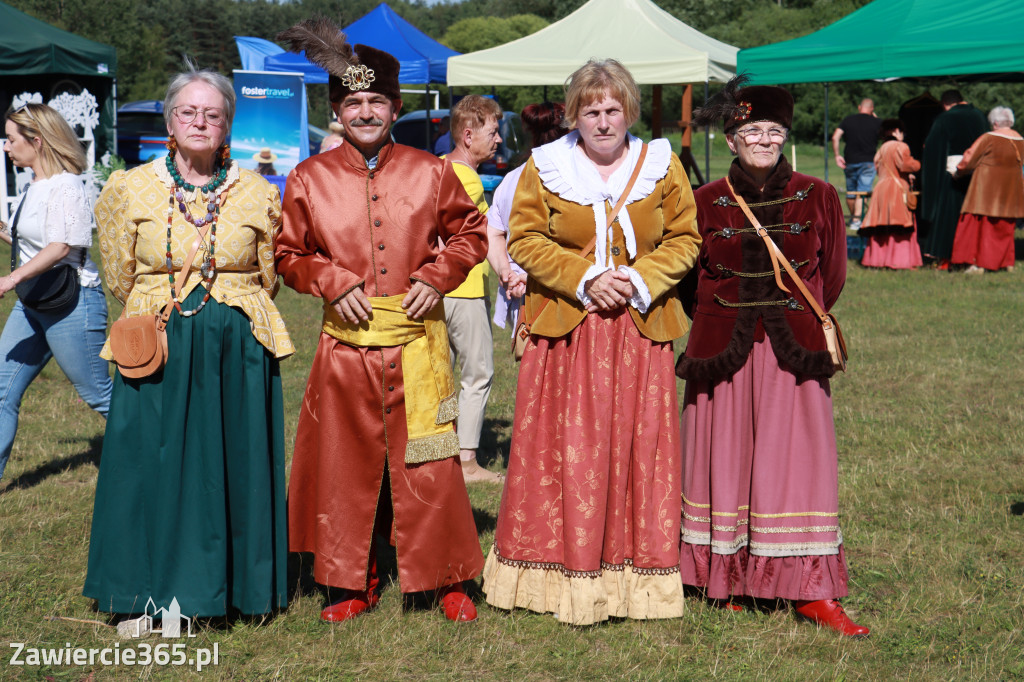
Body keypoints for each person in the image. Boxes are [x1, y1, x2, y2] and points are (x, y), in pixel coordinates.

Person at [275, 19, 488, 624]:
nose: (365, 112)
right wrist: (330, 280)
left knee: (430, 462)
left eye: (376, 101)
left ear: (395, 106)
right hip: (346, 352)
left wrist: (434, 276)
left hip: (419, 344)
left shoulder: (431, 171)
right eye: (352, 103)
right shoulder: (307, 180)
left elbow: (471, 233)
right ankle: (350, 579)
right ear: (337, 111)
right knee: (345, 467)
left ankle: (444, 576)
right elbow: (287, 253)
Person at [483, 58, 701, 626]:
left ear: (627, 110)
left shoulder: (661, 164)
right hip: (567, 329)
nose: (603, 121)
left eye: (612, 109)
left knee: (639, 447)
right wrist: (586, 278)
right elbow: (525, 239)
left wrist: (637, 279)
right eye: (591, 110)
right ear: (573, 114)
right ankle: (553, 574)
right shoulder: (545, 166)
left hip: (639, 326)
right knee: (563, 449)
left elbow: (685, 236)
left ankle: (635, 579)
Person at [84, 63, 294, 619]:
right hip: (157, 339)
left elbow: (268, 273)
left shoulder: (256, 191)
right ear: (169, 121)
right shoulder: (129, 188)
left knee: (231, 461)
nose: (200, 122)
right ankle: (139, 590)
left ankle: (230, 590)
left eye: (213, 114)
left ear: (228, 125)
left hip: (238, 345)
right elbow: (118, 275)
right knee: (145, 460)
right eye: (188, 112)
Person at [677, 76, 869, 637]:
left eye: (773, 130)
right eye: (750, 130)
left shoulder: (819, 193)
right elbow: (691, 282)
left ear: (785, 135)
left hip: (794, 348)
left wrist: (790, 314)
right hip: (723, 348)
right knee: (725, 458)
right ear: (732, 138)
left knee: (799, 466)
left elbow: (830, 276)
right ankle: (724, 577)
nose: (762, 139)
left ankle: (810, 590)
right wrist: (723, 315)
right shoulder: (704, 200)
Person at [0, 103, 111, 481]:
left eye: (11, 139)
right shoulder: (35, 185)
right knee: (1, 391)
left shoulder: (67, 186)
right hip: (35, 301)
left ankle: (166, 452)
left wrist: (9, 280)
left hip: (72, 304)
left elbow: (62, 247)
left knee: (99, 395)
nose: (6, 146)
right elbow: (35, 245)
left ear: (37, 140)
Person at [442, 95, 503, 484]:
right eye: (492, 132)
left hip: (436, 288)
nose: (498, 140)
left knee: (441, 373)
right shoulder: (465, 178)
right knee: (477, 373)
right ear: (468, 135)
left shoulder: (438, 169)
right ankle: (466, 463)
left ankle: (438, 451)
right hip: (462, 288)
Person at [486, 101, 568, 331]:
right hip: (559, 293)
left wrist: (507, 273)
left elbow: (493, 232)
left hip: (518, 294)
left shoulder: (512, 178)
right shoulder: (572, 180)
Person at [919, 89, 988, 267]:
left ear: (945, 104)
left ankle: (948, 256)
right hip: (977, 176)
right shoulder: (980, 116)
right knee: (973, 218)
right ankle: (974, 255)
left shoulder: (945, 118)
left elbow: (933, 151)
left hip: (952, 177)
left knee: (950, 218)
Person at [951, 106, 1024, 273]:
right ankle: (1005, 262)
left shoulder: (989, 138)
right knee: (1004, 228)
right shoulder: (1020, 140)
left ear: (995, 123)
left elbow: (969, 158)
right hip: (1010, 192)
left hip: (985, 191)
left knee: (978, 227)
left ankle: (976, 263)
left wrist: (958, 171)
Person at [860, 118, 923, 269]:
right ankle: (898, 261)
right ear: (896, 131)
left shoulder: (881, 149)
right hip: (897, 189)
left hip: (881, 188)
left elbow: (878, 168)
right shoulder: (901, 146)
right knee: (899, 226)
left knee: (881, 226)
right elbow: (905, 164)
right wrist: (918, 164)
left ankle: (876, 260)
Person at [832, 98, 881, 230]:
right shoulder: (877, 122)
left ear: (860, 107)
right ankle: (856, 220)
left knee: (851, 192)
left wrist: (837, 155)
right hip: (868, 162)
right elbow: (884, 135)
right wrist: (875, 117)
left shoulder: (848, 120)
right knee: (862, 192)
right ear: (872, 109)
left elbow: (835, 137)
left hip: (850, 161)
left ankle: (854, 218)